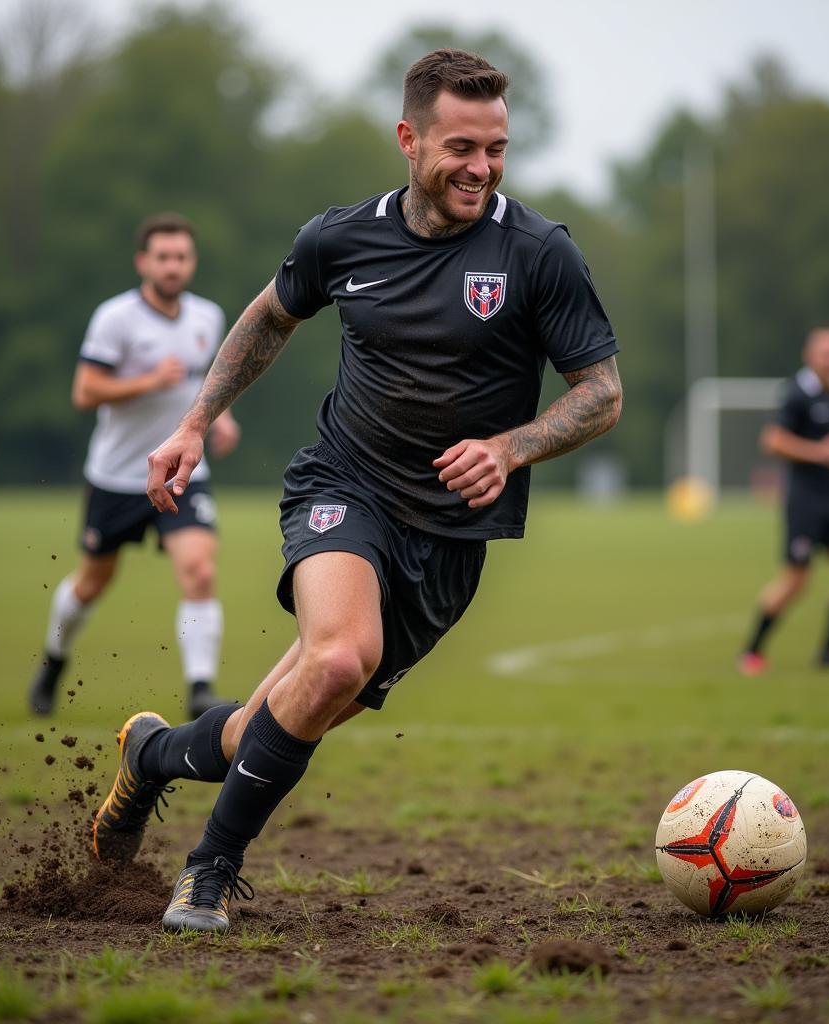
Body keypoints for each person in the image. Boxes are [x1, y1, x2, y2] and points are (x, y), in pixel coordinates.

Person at [90, 49, 622, 933]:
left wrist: (510, 447)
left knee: (274, 722)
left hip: (451, 541)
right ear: (408, 140)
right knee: (338, 657)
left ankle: (150, 756)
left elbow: (601, 392)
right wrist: (191, 424)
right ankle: (208, 873)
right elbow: (268, 317)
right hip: (346, 486)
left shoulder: (538, 252)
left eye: (496, 149)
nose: (481, 169)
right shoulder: (340, 237)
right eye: (461, 147)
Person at [27, 212, 241, 720]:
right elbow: (84, 391)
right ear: (144, 262)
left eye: (182, 257)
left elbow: (206, 386)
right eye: (163, 257)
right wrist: (146, 381)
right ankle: (54, 660)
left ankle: (200, 691)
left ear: (192, 263)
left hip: (183, 471)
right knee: (93, 581)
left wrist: (223, 418)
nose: (173, 266)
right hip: (118, 477)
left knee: (200, 571)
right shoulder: (115, 318)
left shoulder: (207, 317)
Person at [739, 327, 829, 675]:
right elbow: (772, 441)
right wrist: (818, 452)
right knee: (797, 581)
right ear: (809, 356)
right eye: (826, 353)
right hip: (805, 499)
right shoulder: (796, 393)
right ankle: (752, 652)